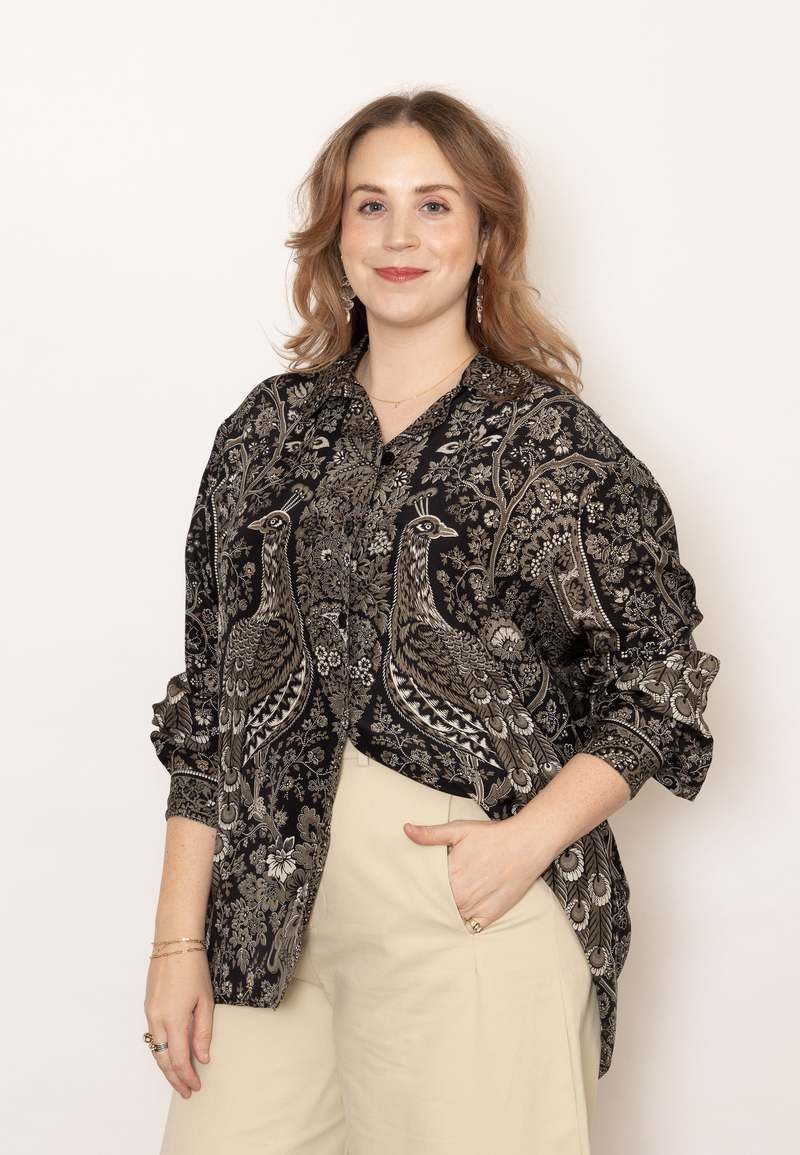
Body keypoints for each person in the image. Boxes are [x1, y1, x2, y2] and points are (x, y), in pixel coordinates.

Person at [144, 89, 720, 1155]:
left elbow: (663, 675)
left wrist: (523, 845)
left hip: (468, 909)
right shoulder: (266, 433)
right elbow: (210, 701)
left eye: (434, 205)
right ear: (335, 237)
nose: (398, 236)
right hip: (262, 912)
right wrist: (178, 940)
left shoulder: (550, 444)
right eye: (370, 206)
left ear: (487, 236)